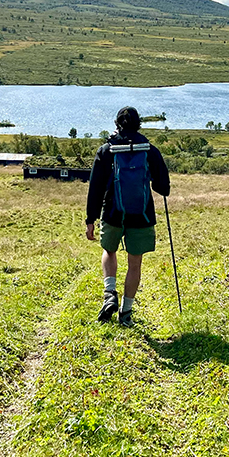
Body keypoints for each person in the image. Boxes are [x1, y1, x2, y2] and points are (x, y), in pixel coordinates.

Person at [85, 106, 171, 326]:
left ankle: (109, 293)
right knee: (135, 264)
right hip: (141, 215)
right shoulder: (149, 150)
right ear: (138, 124)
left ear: (117, 124)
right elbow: (163, 188)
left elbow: (95, 187)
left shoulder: (107, 150)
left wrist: (90, 220)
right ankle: (126, 313)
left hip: (113, 212)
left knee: (109, 251)